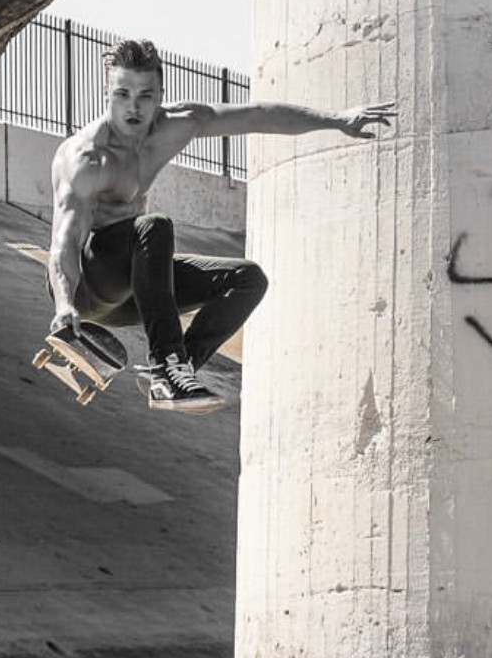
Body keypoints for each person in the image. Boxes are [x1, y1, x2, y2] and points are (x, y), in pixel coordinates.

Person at [47, 38, 396, 414]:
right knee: (153, 227)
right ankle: (167, 364)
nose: (133, 107)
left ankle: (174, 371)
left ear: (161, 95)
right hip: (88, 286)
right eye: (122, 94)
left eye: (145, 96)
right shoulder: (86, 157)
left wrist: (336, 119)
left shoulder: (179, 123)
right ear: (107, 93)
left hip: (133, 292)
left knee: (248, 280)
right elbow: (65, 242)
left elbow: (257, 116)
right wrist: (65, 305)